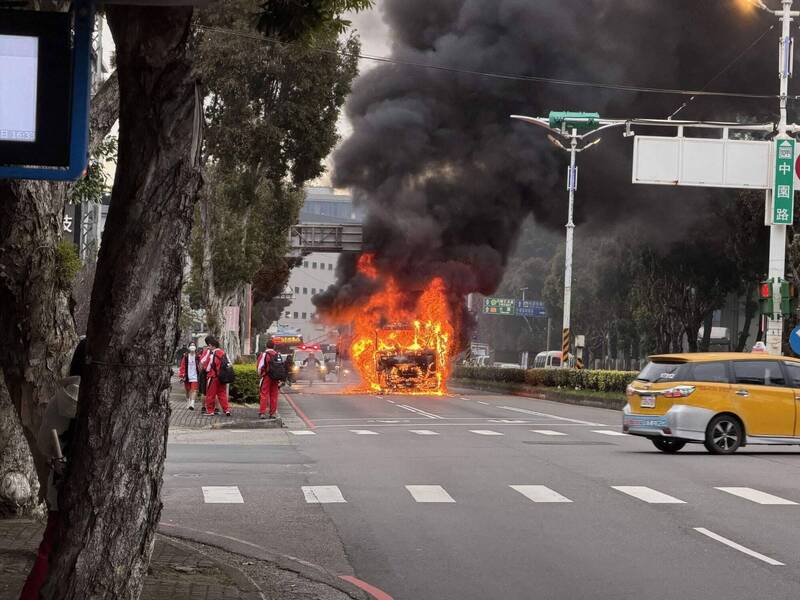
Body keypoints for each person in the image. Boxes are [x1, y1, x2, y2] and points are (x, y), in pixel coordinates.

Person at [20, 339, 85, 600]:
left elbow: (46, 441)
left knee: (48, 551)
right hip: (101, 497)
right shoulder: (115, 397)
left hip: (62, 488)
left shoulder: (62, 398)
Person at [201, 335, 231, 417]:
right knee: (222, 394)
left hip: (213, 377)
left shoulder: (212, 354)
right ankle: (227, 410)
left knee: (210, 394)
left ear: (210, 345)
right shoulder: (224, 353)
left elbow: (207, 368)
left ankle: (210, 411)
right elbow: (229, 364)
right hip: (223, 377)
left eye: (208, 346)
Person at [257, 340, 282, 419]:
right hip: (275, 377)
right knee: (274, 395)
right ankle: (273, 413)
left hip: (266, 377)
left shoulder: (264, 354)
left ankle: (262, 412)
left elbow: (260, 367)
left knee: (264, 394)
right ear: (274, 346)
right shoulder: (277, 355)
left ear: (266, 346)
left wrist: (260, 375)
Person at [178, 341, 201, 410]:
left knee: (194, 390)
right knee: (188, 390)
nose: (192, 346)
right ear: (188, 347)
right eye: (191, 345)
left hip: (195, 376)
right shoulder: (186, 356)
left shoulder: (198, 356)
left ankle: (192, 404)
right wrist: (182, 375)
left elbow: (201, 366)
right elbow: (182, 366)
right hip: (187, 376)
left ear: (196, 347)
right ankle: (188, 401)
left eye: (194, 345)